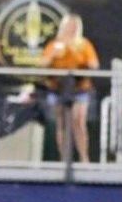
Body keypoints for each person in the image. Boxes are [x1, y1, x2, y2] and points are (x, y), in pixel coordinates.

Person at [41, 14, 99, 163]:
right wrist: (55, 54)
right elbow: (43, 63)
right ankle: (64, 159)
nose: (70, 29)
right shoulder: (54, 44)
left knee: (78, 121)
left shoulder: (84, 44)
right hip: (58, 87)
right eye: (68, 26)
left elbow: (94, 64)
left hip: (79, 88)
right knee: (62, 122)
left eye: (73, 27)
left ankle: (84, 158)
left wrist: (75, 54)